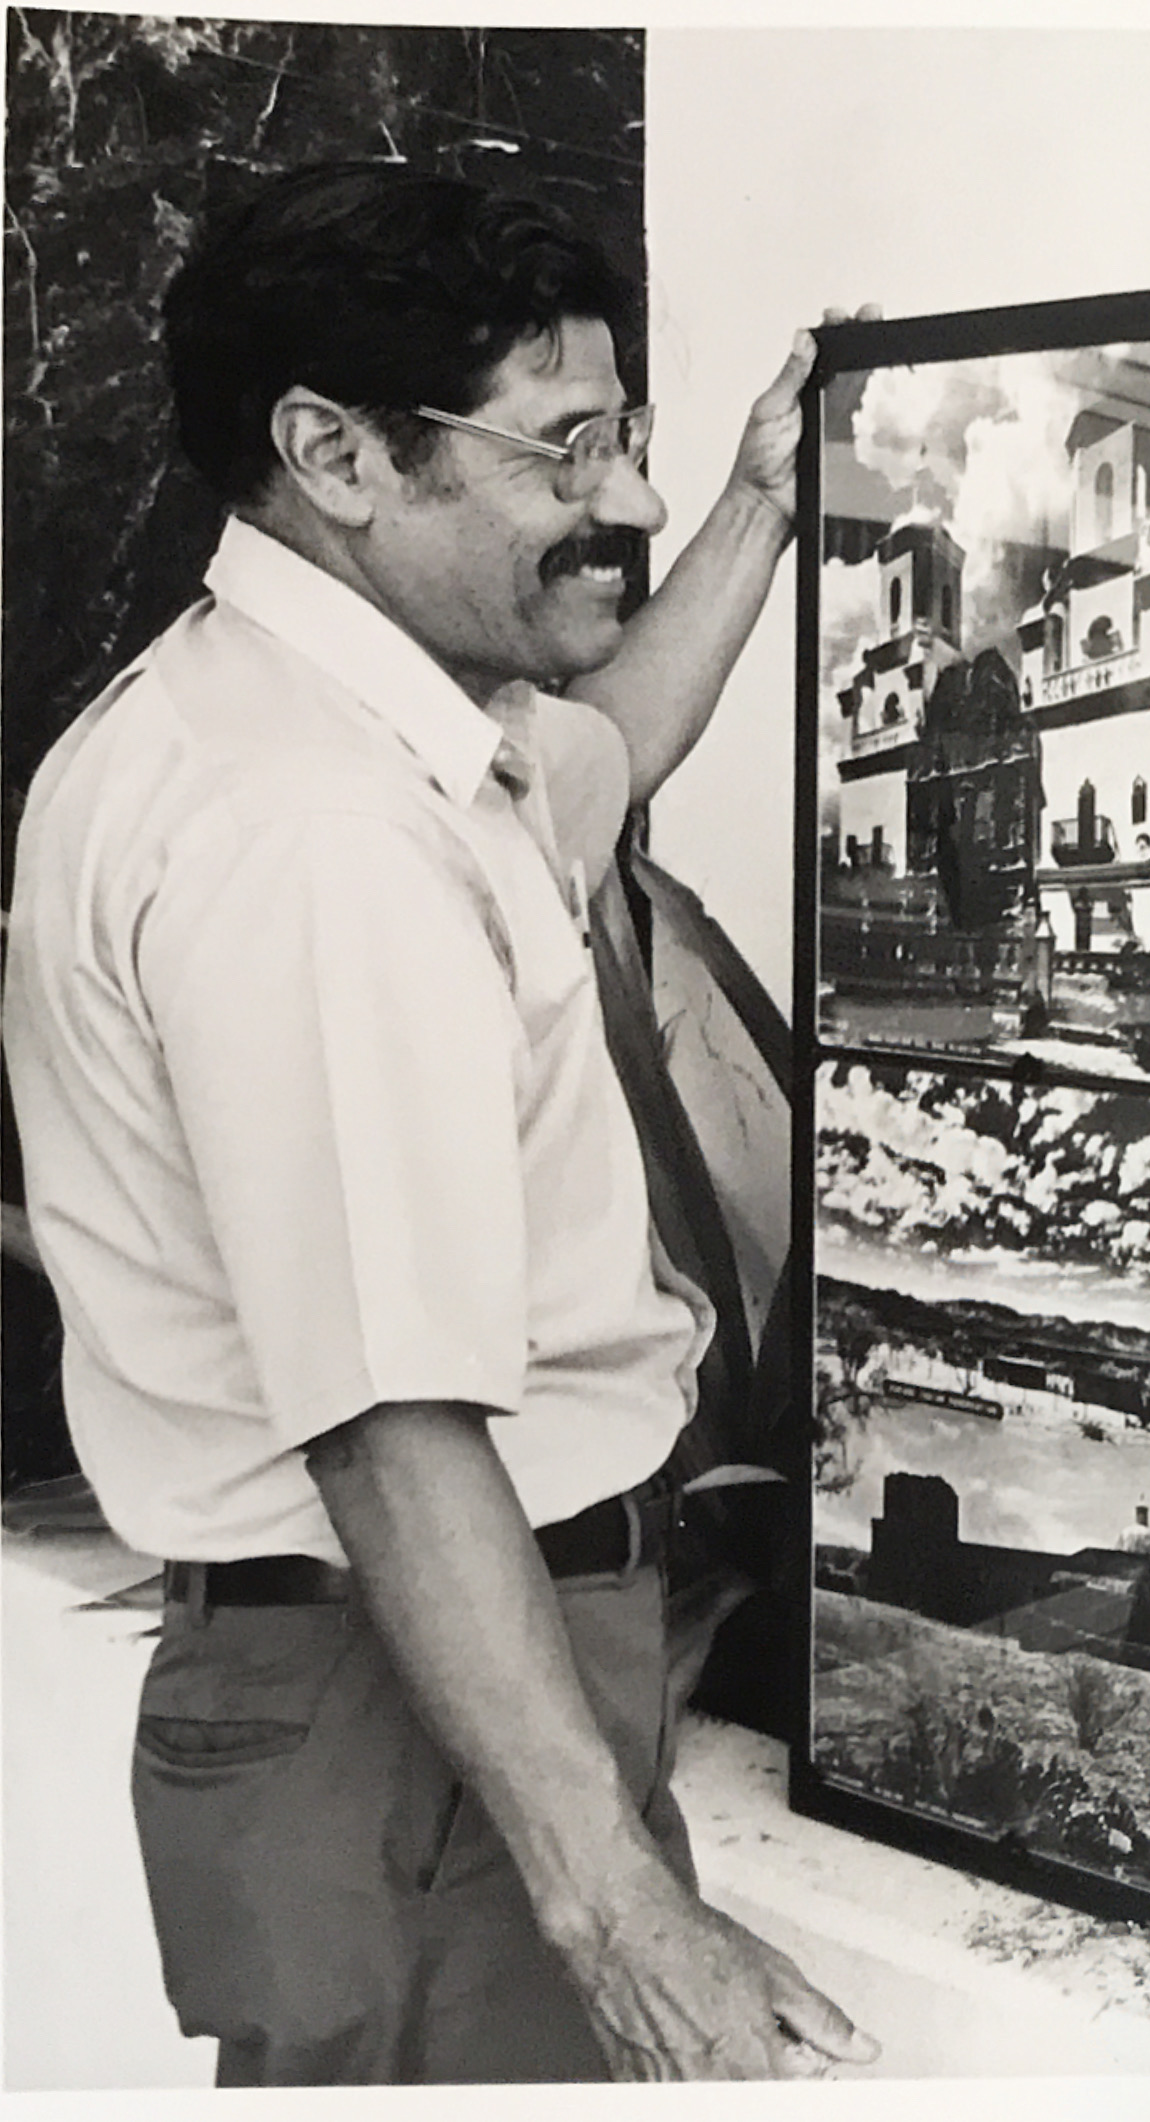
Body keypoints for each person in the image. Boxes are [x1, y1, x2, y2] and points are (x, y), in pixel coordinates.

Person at [1, 163, 873, 2084]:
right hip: (419, 1714)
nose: (622, 503)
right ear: (335, 451)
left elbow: (613, 748)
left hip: (445, 1700)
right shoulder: (310, 839)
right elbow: (390, 1425)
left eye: (628, 439)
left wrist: (757, 503)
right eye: (566, 450)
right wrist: (620, 1906)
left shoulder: (366, 742)